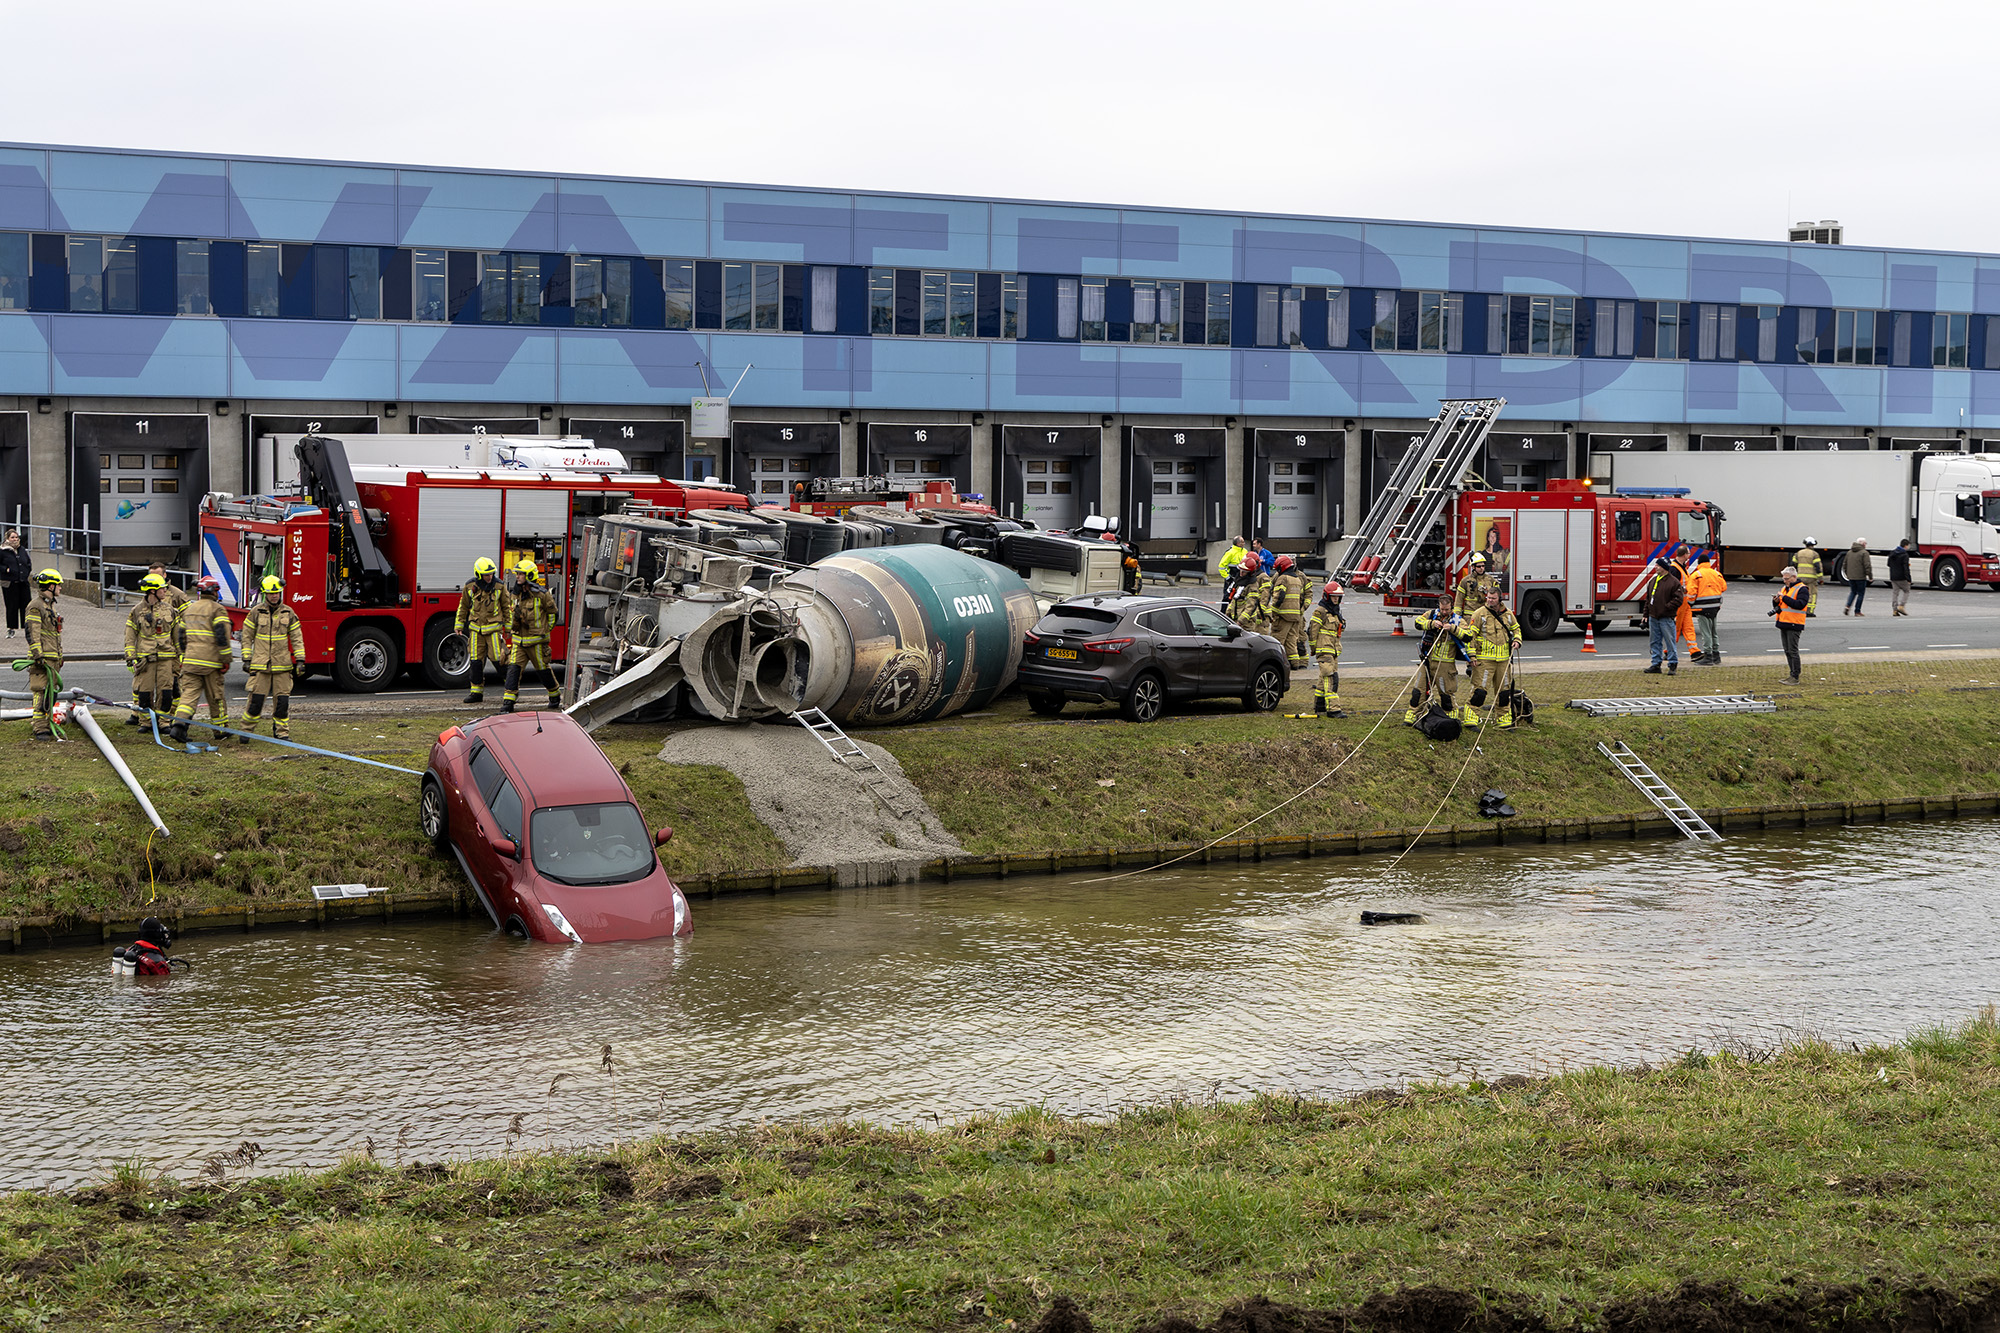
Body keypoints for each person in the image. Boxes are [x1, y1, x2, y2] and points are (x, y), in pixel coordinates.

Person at [239, 575, 305, 741]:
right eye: (271, 593)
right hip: (261, 665)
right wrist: (246, 658)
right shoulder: (255, 612)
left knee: (282, 703)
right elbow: (246, 636)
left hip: (282, 665)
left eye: (276, 592)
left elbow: (297, 638)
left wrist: (300, 660)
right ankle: (246, 731)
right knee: (255, 701)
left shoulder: (288, 612)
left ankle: (282, 733)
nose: (274, 595)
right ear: (265, 594)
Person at [169, 575, 232, 745]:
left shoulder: (189, 609)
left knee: (188, 696)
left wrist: (185, 655)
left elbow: (181, 637)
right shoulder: (217, 610)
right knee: (216, 697)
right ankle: (220, 731)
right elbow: (222, 637)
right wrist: (226, 660)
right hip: (211, 663)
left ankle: (179, 727)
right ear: (214, 592)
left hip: (190, 662)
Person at [502, 558, 561, 713]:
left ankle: (554, 695)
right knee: (513, 669)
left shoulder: (542, 595)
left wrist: (545, 630)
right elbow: (510, 613)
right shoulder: (515, 595)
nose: (518, 577)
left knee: (543, 670)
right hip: (519, 642)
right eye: (518, 574)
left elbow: (553, 614)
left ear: (529, 575)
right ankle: (508, 703)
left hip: (537, 643)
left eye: (521, 574)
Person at [123, 573, 179, 726]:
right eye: (162, 588)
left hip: (166, 658)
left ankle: (164, 722)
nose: (165, 590)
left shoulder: (170, 610)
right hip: (146, 659)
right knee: (144, 693)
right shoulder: (136, 611)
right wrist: (130, 657)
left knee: (166, 692)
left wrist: (180, 656)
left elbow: (177, 635)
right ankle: (146, 722)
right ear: (152, 591)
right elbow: (130, 635)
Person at [456, 557, 512, 704]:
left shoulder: (499, 586)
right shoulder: (470, 587)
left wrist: (509, 627)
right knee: (475, 661)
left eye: (492, 574)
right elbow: (463, 606)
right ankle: (476, 693)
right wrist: (459, 624)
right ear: (479, 574)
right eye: (487, 575)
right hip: (475, 630)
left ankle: (511, 689)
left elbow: (507, 607)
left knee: (499, 659)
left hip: (493, 630)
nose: (490, 577)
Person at [1464, 588, 1523, 728]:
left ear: (1500, 599)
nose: (1490, 600)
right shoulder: (1479, 614)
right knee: (1479, 691)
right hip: (1484, 661)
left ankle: (1503, 719)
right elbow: (1470, 637)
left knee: (1504, 692)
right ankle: (1471, 719)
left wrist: (1517, 640)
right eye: (1488, 598)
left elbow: (1516, 629)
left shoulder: (1508, 614)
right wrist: (1471, 656)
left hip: (1503, 661)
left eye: (1493, 598)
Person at [1407, 605, 1472, 725]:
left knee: (1446, 693)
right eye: (1442, 609)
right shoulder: (1431, 614)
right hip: (1427, 659)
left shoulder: (1458, 620)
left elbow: (1468, 636)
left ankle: (1450, 716)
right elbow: (1417, 623)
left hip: (1445, 664)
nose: (1444, 612)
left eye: (1447, 610)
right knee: (1418, 690)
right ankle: (1413, 714)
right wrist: (1432, 624)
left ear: (1451, 608)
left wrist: (1452, 628)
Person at [22, 568, 63, 741]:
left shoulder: (49, 605)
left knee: (50, 693)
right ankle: (39, 727)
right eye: (58, 585)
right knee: (40, 691)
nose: (60, 588)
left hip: (52, 658)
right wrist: (38, 656)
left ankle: (46, 723)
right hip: (42, 659)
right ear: (51, 586)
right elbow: (32, 633)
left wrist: (59, 656)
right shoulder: (35, 606)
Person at [1304, 580, 1345, 717]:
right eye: (1333, 596)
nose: (1336, 599)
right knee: (1331, 679)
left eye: (1338, 597)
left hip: (1332, 651)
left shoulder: (1335, 612)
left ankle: (1319, 706)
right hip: (1324, 650)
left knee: (1323, 679)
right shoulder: (1320, 611)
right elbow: (1312, 631)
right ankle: (1334, 709)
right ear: (1327, 596)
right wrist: (1314, 648)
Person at [1265, 555, 1310, 667]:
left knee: (1277, 639)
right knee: (1291, 641)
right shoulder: (1296, 579)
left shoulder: (1283, 578)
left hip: (1283, 615)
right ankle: (1294, 664)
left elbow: (1278, 597)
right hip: (1296, 616)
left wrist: (1272, 613)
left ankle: (1276, 663)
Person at [1642, 558, 1684, 675]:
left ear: (1664, 567)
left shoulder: (1673, 582)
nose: (1655, 567)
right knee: (1654, 642)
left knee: (1669, 641)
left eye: (1658, 565)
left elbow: (1679, 599)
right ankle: (1656, 664)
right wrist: (1646, 614)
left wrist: (1666, 608)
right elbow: (1648, 599)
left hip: (1666, 617)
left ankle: (1672, 664)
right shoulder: (1653, 581)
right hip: (1653, 617)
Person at [1687, 551, 1728, 665]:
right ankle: (1716, 655)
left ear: (1699, 563)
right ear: (1708, 563)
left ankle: (1708, 656)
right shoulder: (1716, 574)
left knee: (1706, 633)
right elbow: (1723, 587)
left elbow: (1691, 593)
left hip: (1701, 608)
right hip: (1715, 607)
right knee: (1713, 631)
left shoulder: (1696, 575)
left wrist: (1690, 603)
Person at [1772, 568, 1810, 684]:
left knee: (1793, 651)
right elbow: (1782, 605)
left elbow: (1799, 604)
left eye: (1786, 579)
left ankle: (1795, 676)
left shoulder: (1802, 589)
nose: (1784, 581)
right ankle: (1792, 674)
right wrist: (1776, 601)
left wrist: (1783, 597)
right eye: (1783, 579)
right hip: (1784, 622)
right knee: (1787, 650)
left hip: (1794, 623)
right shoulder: (1785, 588)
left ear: (1794, 577)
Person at [0, 528, 29, 637]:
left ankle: (27, 627)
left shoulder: (22, 549)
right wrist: (6, 570)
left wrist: (26, 572)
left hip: (23, 581)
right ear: (7, 538)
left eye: (16, 537)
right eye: (12, 537)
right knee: (11, 606)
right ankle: (11, 629)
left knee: (26, 605)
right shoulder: (3, 550)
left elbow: (27, 562)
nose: (15, 539)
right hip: (9, 582)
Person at [1451, 551, 1498, 616]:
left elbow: (1497, 599)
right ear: (1473, 567)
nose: (1482, 568)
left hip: (1486, 616)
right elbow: (1458, 601)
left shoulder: (1491, 580)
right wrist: (1457, 617)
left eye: (1483, 566)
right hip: (1470, 617)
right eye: (1479, 566)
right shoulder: (1465, 581)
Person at [1793, 538, 1823, 617]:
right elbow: (1818, 567)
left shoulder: (1798, 553)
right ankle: (1809, 611)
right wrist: (1821, 579)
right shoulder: (1814, 554)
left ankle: (1799, 610)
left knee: (1800, 593)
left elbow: (1793, 564)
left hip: (1800, 577)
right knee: (1812, 594)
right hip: (1811, 578)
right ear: (1813, 545)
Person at [1842, 538, 1872, 616]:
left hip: (1851, 577)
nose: (1866, 545)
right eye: (1865, 543)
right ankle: (1857, 611)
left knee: (1853, 592)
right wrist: (1870, 576)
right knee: (1860, 594)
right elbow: (1867, 565)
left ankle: (1847, 606)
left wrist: (1847, 574)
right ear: (1862, 544)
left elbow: (1844, 564)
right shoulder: (1864, 553)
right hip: (1860, 577)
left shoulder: (1849, 552)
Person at [1888, 538, 1914, 616]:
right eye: (1908, 545)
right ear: (1905, 546)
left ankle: (1894, 610)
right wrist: (1909, 579)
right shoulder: (1904, 555)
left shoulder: (1892, 553)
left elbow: (1888, 564)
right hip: (1902, 577)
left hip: (1893, 576)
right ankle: (1901, 606)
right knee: (1906, 591)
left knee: (1895, 593)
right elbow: (1906, 567)